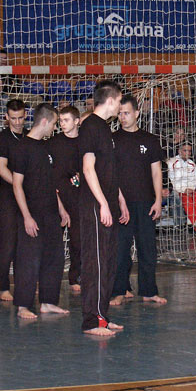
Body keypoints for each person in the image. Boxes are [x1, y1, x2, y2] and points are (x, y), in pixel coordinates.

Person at [78, 80, 130, 336]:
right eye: (120, 101)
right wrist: (102, 204)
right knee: (96, 262)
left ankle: (102, 316)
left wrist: (118, 198)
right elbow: (88, 169)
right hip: (94, 205)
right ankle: (92, 320)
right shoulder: (90, 126)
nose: (121, 106)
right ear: (110, 100)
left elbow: (106, 170)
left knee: (108, 261)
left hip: (107, 201)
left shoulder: (105, 129)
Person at [10, 103, 70, 319]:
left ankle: (47, 302)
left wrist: (62, 208)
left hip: (51, 212)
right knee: (29, 259)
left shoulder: (46, 148)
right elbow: (17, 184)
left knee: (54, 257)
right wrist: (26, 216)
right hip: (31, 212)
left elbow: (50, 183)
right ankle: (23, 306)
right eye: (54, 123)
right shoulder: (21, 148)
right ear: (44, 121)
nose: (55, 127)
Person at [110, 95, 167, 306]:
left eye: (126, 113)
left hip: (145, 202)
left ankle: (149, 291)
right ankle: (119, 290)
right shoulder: (113, 140)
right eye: (120, 114)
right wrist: (118, 200)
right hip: (121, 204)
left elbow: (156, 172)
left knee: (147, 249)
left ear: (136, 113)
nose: (123, 117)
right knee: (121, 250)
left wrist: (158, 200)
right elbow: (111, 174)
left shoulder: (150, 140)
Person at [0, 99, 27, 301]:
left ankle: (26, 283)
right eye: (13, 118)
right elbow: (1, 167)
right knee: (8, 241)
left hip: (29, 196)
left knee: (28, 242)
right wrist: (18, 184)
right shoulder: (2, 139)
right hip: (8, 197)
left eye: (20, 117)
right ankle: (2, 286)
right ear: (6, 117)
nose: (17, 122)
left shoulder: (30, 137)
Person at [46, 105, 82, 293]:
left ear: (76, 121)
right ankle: (46, 279)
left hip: (77, 198)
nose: (62, 124)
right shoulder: (53, 143)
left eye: (66, 120)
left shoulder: (84, 143)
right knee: (52, 242)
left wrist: (81, 176)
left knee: (78, 240)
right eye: (60, 121)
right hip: (56, 198)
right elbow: (47, 173)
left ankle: (75, 277)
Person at [167, 142, 196, 227]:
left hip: (191, 190)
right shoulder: (171, 162)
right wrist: (183, 190)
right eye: (185, 150)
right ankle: (193, 223)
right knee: (185, 199)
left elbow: (195, 180)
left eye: (189, 151)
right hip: (178, 190)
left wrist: (191, 189)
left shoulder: (192, 164)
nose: (188, 153)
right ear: (179, 151)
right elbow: (170, 181)